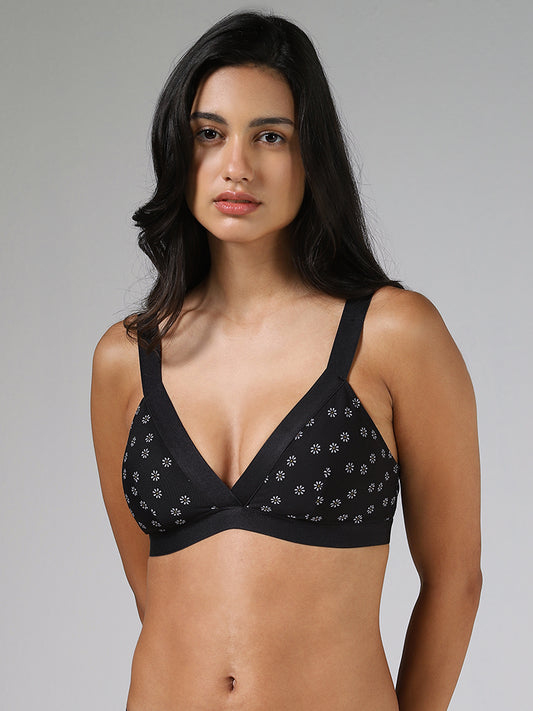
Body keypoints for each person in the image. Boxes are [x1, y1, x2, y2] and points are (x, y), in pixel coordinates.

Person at [90, 10, 482, 711]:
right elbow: (155, 593)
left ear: (312, 157)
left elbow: (456, 581)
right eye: (209, 134)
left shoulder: (393, 334)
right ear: (179, 150)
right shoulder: (126, 357)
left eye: (269, 135)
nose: (236, 166)